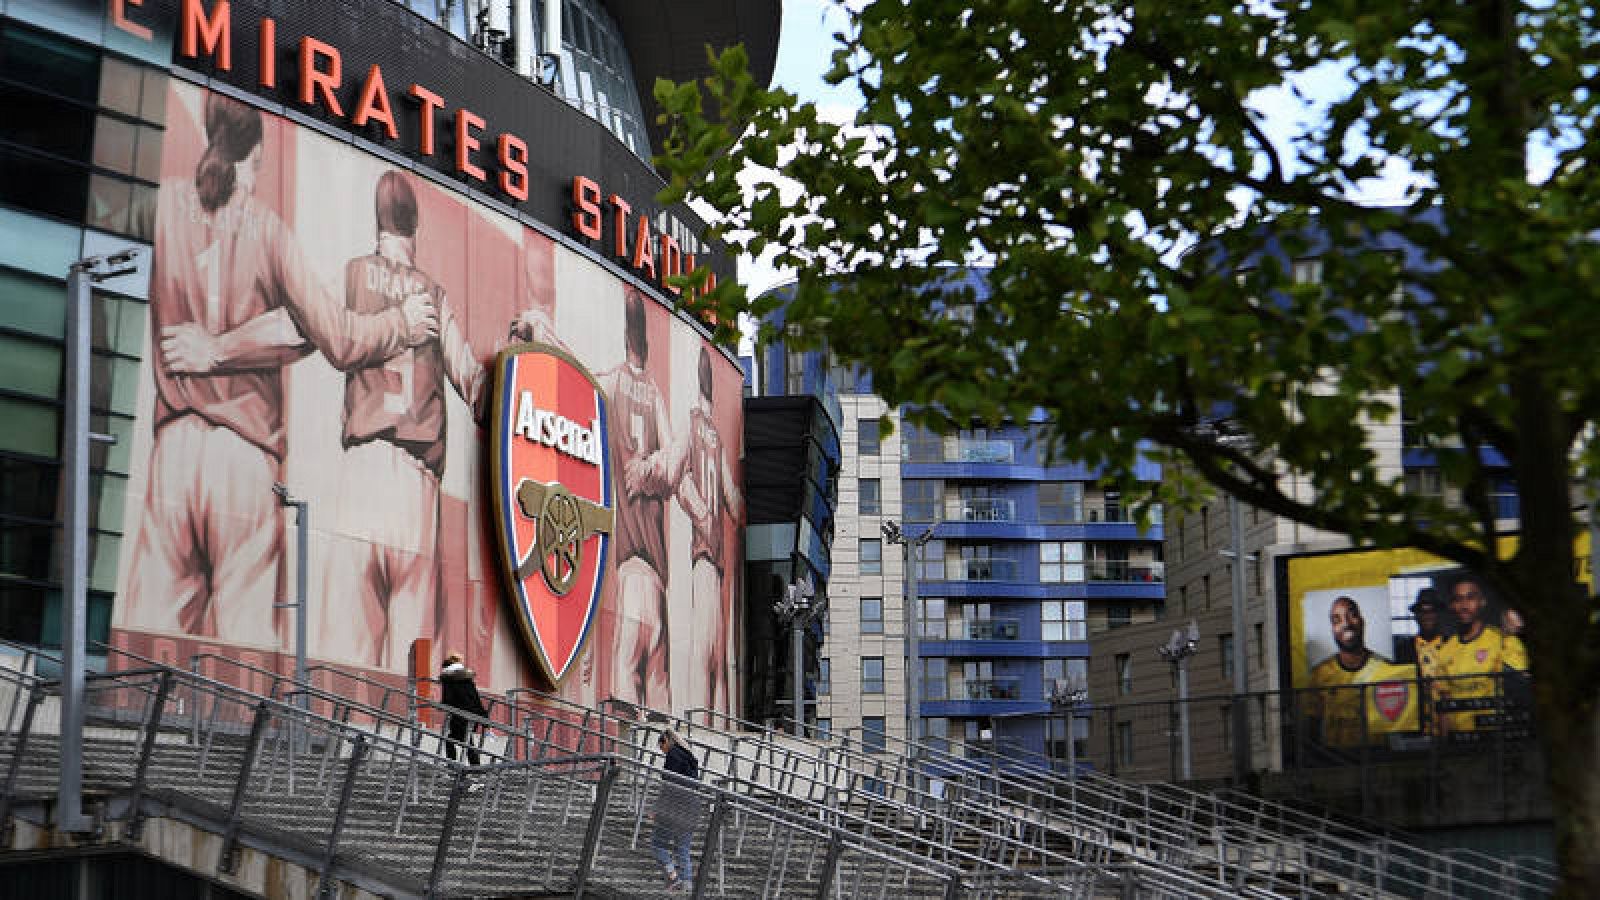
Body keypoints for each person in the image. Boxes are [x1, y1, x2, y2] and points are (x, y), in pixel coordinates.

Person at [120, 91, 436, 645]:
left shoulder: (162, 206)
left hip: (171, 453)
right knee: (243, 662)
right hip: (245, 459)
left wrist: (215, 344)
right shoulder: (267, 232)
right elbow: (340, 339)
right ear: (259, 154)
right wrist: (402, 323)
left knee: (149, 651)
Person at [319, 171, 494, 669]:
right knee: (414, 659)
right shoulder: (433, 296)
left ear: (377, 222)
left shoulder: (352, 274)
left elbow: (310, 328)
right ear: (416, 225)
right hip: (415, 483)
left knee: (352, 655)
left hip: (360, 471)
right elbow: (475, 386)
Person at [598, 289, 686, 710]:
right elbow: (674, 460)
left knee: (629, 685)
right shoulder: (652, 393)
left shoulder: (612, 383)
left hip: (634, 560)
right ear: (644, 340)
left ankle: (632, 752)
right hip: (651, 565)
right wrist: (655, 465)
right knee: (655, 689)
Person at [677, 347, 742, 713]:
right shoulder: (716, 436)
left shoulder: (691, 425)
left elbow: (680, 476)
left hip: (704, 556)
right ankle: (706, 730)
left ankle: (698, 731)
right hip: (714, 560)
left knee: (703, 656)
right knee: (716, 662)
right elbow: (733, 500)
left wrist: (700, 514)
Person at [1435, 575, 1529, 736]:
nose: (1464, 605)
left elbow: (1521, 684)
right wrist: (1445, 743)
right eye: (1458, 599)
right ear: (1452, 605)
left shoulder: (1501, 641)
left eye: (1470, 598)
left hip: (1494, 737)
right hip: (1459, 739)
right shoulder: (1445, 650)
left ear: (1482, 602)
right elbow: (1444, 705)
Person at [1305, 596, 1400, 747]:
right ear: (1332, 629)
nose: (1346, 624)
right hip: (1335, 758)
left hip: (1376, 756)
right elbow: (1312, 727)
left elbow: (1399, 723)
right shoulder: (1320, 673)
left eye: (1352, 615)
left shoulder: (1386, 668)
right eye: (1337, 620)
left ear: (1362, 621)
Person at [1393, 588, 1450, 735]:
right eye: (1422, 612)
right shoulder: (1403, 650)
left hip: (1450, 725)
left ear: (1439, 614)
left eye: (1432, 611)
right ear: (1416, 616)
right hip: (1416, 726)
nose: (1427, 616)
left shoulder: (1452, 645)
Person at [652, 729, 701, 891]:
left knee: (658, 844)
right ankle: (687, 884)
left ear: (666, 741)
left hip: (674, 810)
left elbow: (669, 787)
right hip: (691, 809)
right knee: (682, 849)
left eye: (661, 747)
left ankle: (673, 878)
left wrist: (658, 809)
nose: (662, 751)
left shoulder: (673, 756)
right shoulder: (688, 756)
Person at [439, 651, 489, 768]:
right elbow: (476, 698)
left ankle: (455, 765)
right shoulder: (467, 678)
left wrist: (443, 705)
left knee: (452, 739)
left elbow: (447, 699)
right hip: (473, 714)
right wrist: (483, 716)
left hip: (459, 715)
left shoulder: (448, 678)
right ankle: (474, 767)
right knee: (465, 739)